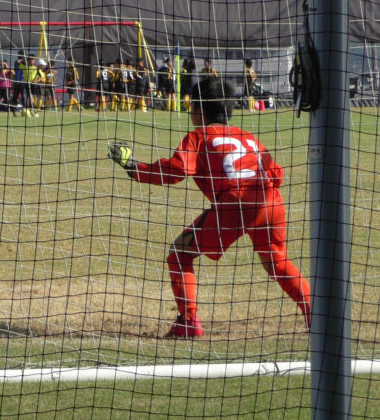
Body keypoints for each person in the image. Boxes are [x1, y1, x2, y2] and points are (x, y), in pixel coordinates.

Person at [107, 77, 311, 337]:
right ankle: (316, 314)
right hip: (271, 202)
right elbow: (277, 173)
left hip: (235, 203)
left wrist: (134, 168)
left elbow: (178, 170)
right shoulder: (248, 137)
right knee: (277, 263)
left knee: (179, 254)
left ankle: (188, 322)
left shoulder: (198, 136)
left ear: (198, 110)